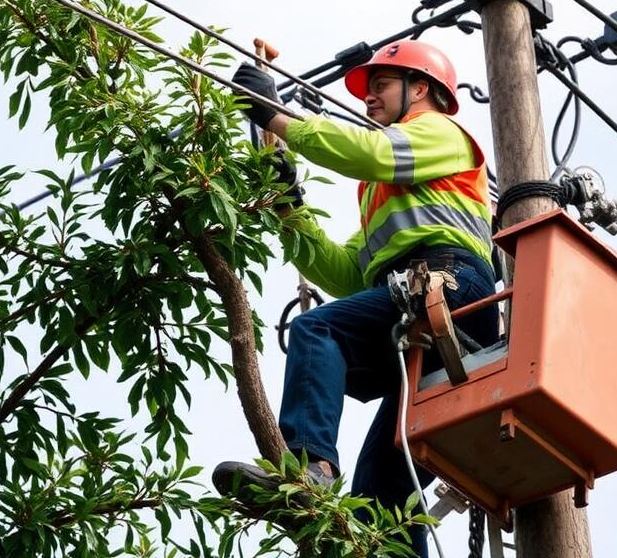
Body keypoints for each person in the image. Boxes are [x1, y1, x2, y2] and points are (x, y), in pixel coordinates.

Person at [213, 40, 501, 556]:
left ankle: (310, 468)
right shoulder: (381, 192)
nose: (369, 99)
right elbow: (345, 273)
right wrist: (287, 206)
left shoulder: (439, 132)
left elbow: (367, 152)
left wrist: (278, 117)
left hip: (452, 284)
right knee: (380, 486)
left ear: (422, 90)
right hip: (411, 298)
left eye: (381, 86)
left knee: (318, 328)